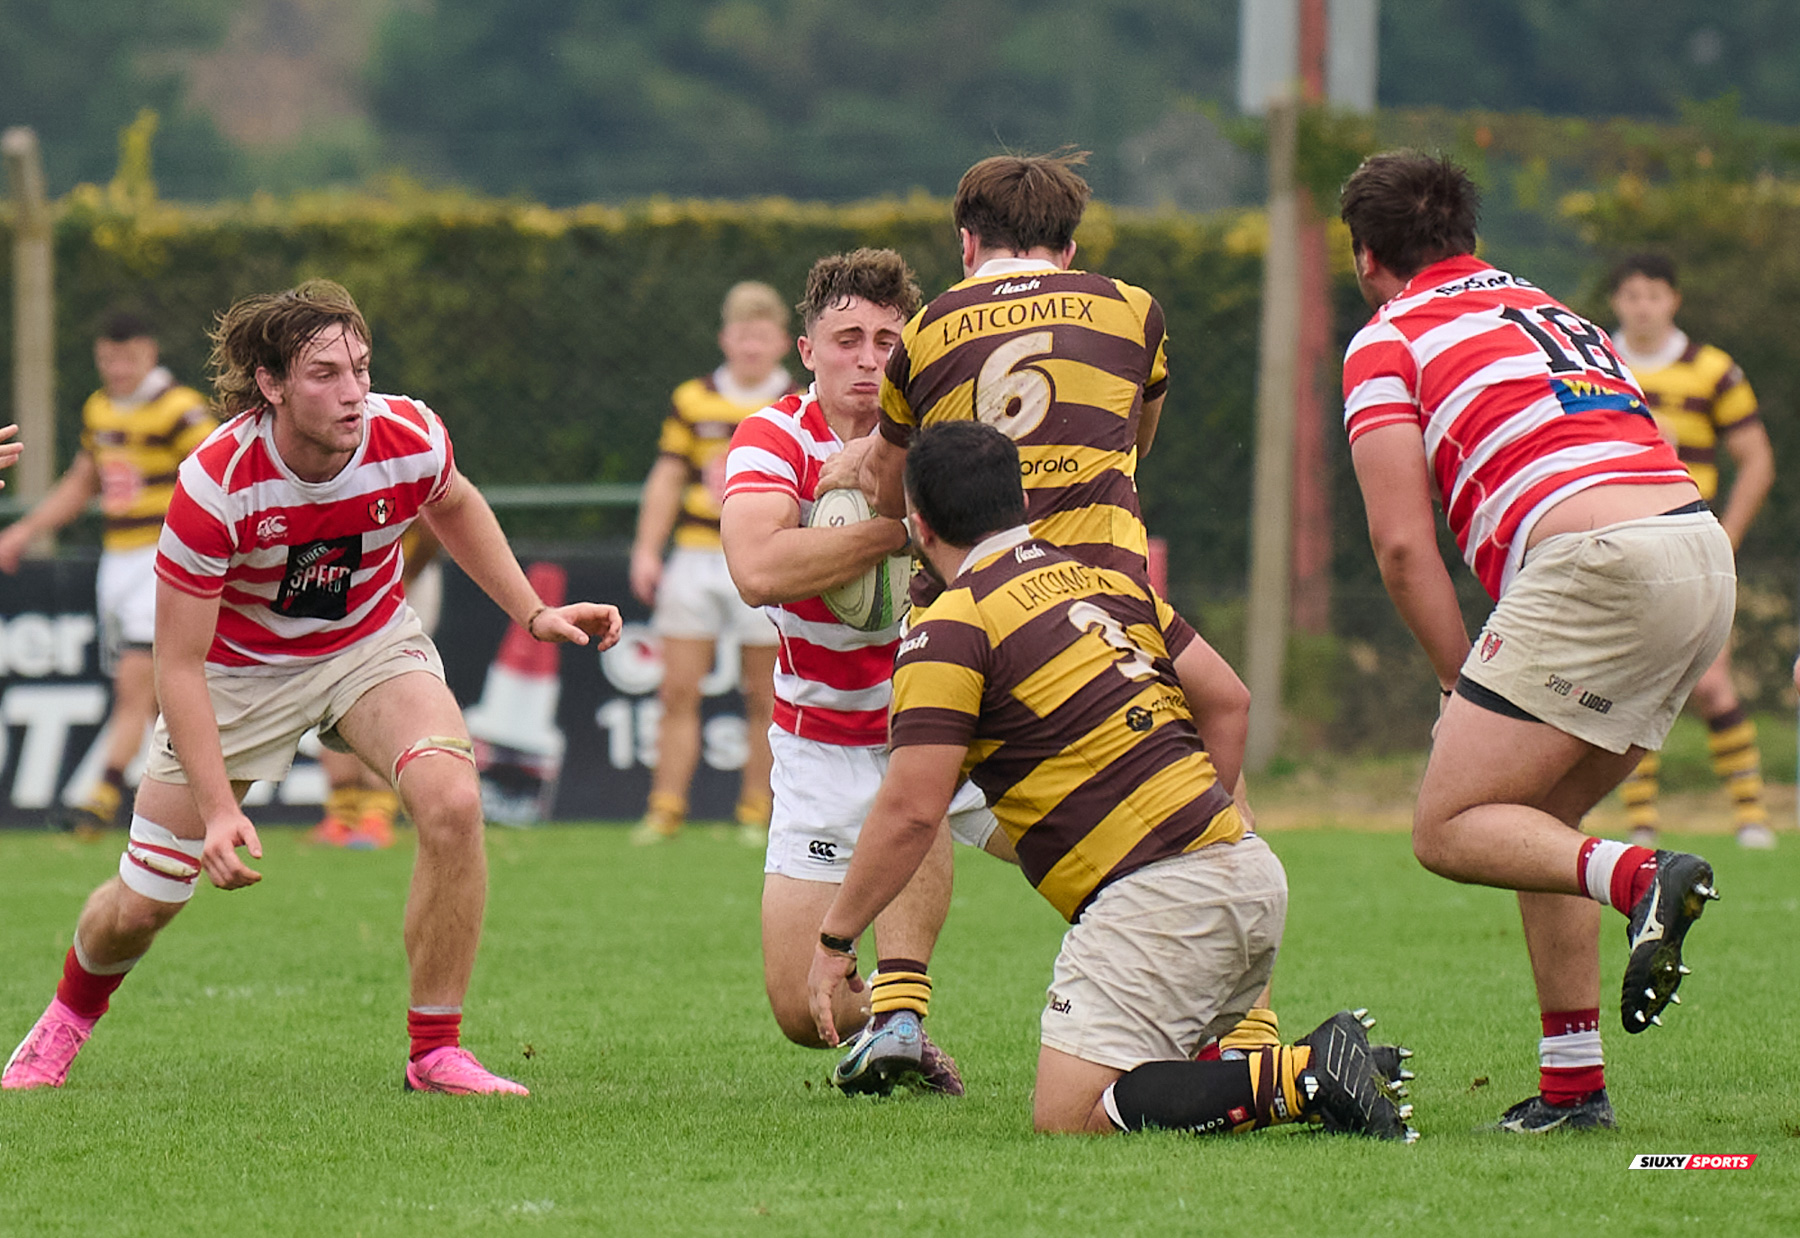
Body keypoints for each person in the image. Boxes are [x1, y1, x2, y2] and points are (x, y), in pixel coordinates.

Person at [1, 279, 621, 1095]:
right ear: (272, 384)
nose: (354, 391)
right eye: (326, 374)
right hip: (238, 674)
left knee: (452, 802)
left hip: (367, 645)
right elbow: (178, 665)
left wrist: (533, 612)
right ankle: (67, 1016)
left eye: (360, 368)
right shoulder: (215, 483)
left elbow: (455, 504)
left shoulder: (408, 432)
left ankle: (435, 1052)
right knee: (145, 901)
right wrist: (220, 809)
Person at [805, 421, 1414, 1139]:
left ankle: (1309, 1073)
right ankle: (1316, 1064)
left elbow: (912, 812)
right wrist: (1198, 824)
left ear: (920, 526)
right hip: (1249, 873)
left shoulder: (949, 629)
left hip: (1161, 905)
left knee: (1068, 1114)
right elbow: (1230, 700)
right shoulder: (1111, 584)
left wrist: (836, 941)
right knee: (1148, 1076)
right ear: (1020, 503)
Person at [824, 148, 1285, 1057]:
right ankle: (1248, 1032)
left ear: (967, 243)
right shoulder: (1133, 309)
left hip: (974, 600)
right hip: (1108, 599)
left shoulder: (929, 328)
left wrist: (855, 473)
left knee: (917, 785)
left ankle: (899, 1013)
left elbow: (892, 487)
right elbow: (1135, 439)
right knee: (1189, 778)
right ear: (1070, 248)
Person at [1339, 152, 1732, 1132]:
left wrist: (1453, 681)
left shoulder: (1390, 336)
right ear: (1468, 236)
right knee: (1537, 823)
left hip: (1600, 561)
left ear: (1366, 256)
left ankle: (1642, 878)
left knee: (1446, 827)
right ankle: (1573, 1088)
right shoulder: (1556, 310)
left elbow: (1401, 545)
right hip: (1698, 551)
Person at [720, 250, 996, 1096]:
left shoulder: (943, 439)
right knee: (808, 1015)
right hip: (820, 742)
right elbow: (758, 570)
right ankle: (888, 1024)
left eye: (887, 341)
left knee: (1114, 860)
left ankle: (1217, 1025)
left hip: (957, 725)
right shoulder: (774, 437)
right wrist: (902, 531)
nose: (869, 360)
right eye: (848, 340)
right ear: (808, 350)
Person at [0, 311, 217, 835]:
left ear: (150, 354)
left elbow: (218, 472)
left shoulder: (180, 410)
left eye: (127, 358)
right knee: (155, 694)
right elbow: (83, 481)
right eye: (107, 359)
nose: (117, 369)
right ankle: (193, 796)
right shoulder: (99, 408)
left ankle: (103, 792)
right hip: (117, 562)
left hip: (163, 559)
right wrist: (25, 531)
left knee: (137, 681)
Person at [1607, 254, 1778, 850]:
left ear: (1673, 301)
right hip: (1622, 545)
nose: (1642, 307)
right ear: (1616, 302)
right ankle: (1641, 825)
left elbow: (1757, 459)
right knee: (1632, 682)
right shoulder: (1599, 362)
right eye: (1632, 295)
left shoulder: (1713, 370)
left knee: (1712, 683)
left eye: (1653, 295)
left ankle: (1752, 817)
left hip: (1693, 543)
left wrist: (1726, 537)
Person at [629, 282, 794, 846]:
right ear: (725, 339)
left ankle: (756, 811)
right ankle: (665, 809)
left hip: (765, 554)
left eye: (762, 336)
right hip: (697, 555)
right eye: (742, 335)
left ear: (784, 343)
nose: (751, 346)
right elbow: (668, 475)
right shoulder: (692, 399)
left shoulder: (794, 402)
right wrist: (647, 549)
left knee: (765, 695)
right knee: (677, 690)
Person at [309, 522, 443, 850]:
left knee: (390, 687)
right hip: (342, 574)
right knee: (330, 684)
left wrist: (406, 577)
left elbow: (430, 526)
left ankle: (376, 814)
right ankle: (342, 813)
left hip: (394, 576)